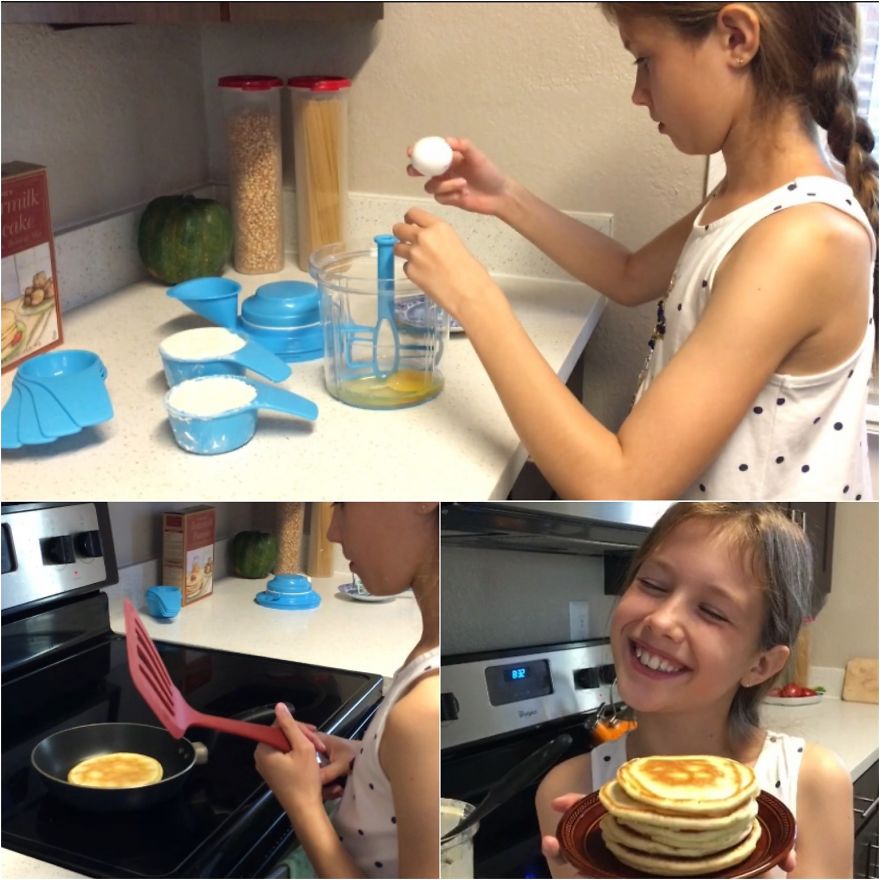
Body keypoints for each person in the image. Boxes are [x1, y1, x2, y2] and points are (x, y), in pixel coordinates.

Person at [392, 3, 878, 501]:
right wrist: (504, 197)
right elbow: (629, 275)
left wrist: (473, 296)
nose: (638, 93)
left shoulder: (801, 240)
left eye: (645, 58)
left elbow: (618, 484)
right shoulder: (754, 197)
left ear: (736, 39)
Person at [535, 502, 853, 878]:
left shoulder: (813, 782)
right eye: (652, 584)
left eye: (713, 612)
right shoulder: (569, 793)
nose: (661, 620)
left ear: (760, 664)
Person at [254, 502, 440, 879]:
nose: (332, 532)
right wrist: (364, 756)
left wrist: (302, 804)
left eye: (342, 504)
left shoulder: (423, 710)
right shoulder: (430, 652)